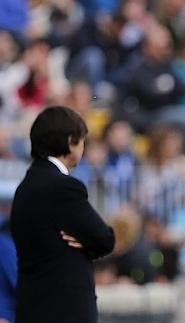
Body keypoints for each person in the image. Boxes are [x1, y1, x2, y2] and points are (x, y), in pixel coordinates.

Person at [10, 106, 115, 323]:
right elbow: (104, 238)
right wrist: (87, 242)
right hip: (64, 310)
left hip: (30, 307)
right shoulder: (64, 187)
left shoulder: (24, 188)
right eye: (82, 140)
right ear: (70, 142)